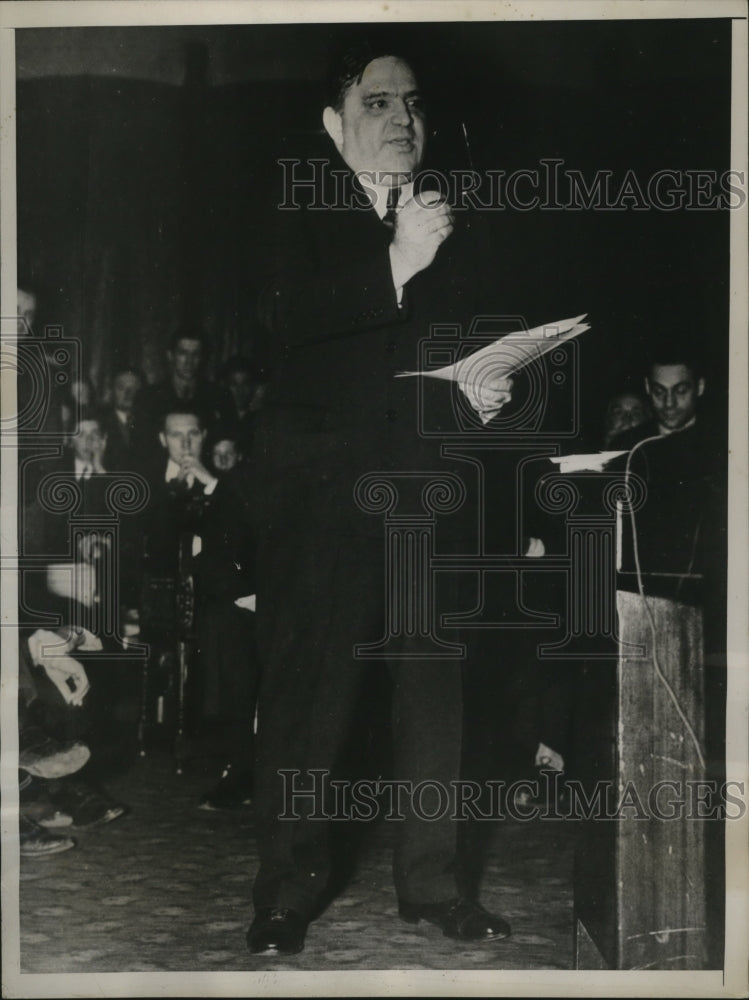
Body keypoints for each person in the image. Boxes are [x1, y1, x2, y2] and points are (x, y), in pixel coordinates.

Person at [247, 42, 517, 956]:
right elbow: (277, 320)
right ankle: (283, 894)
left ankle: (434, 887)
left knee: (433, 699)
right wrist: (396, 260)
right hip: (321, 496)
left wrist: (484, 388)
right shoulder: (292, 207)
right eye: (376, 103)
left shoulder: (452, 220)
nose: (401, 119)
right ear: (333, 125)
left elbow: (455, 353)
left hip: (423, 494)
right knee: (309, 701)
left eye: (412, 104)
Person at [137, 328, 231, 453]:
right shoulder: (148, 397)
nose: (189, 361)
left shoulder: (219, 396)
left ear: (202, 358)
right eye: (183, 353)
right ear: (171, 355)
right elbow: (141, 449)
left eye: (195, 354)